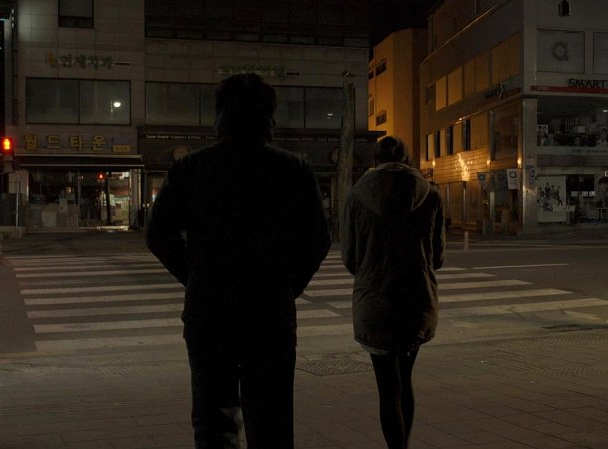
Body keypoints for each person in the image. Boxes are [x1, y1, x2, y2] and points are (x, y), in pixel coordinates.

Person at [146, 73, 331, 449]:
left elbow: (158, 234)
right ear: (268, 117)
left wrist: (195, 275)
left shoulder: (190, 169)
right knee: (272, 422)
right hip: (270, 312)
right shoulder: (292, 170)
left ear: (220, 115)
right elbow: (317, 241)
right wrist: (286, 285)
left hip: (210, 310)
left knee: (214, 424)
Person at [340, 136, 445, 449]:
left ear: (375, 161)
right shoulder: (430, 195)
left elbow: (350, 257)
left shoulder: (357, 196)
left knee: (388, 389)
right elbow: (437, 257)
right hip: (416, 298)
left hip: (376, 301)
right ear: (408, 160)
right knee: (405, 379)